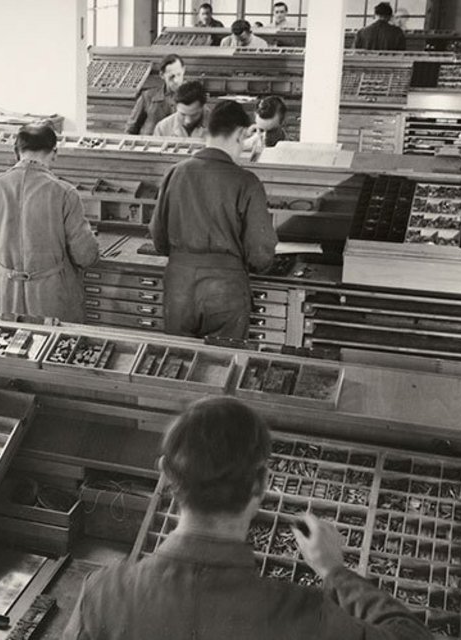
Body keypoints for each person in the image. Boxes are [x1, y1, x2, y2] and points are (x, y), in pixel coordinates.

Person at [62, 398, 433, 640]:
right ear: (261, 484)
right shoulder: (303, 614)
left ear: (166, 475)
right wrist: (334, 572)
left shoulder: (101, 595)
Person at [149, 101, 277, 339]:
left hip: (179, 286)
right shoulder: (246, 182)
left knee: (175, 364)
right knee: (222, 368)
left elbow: (158, 238)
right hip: (225, 289)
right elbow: (260, 252)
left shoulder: (174, 173)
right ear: (240, 134)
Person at [0, 123, 98, 322]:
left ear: (16, 152)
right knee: (55, 350)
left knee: (7, 346)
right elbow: (85, 255)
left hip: (6, 296)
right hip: (52, 298)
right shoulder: (65, 193)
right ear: (54, 153)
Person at [125, 55, 186, 136]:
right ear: (162, 75)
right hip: (151, 146)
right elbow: (131, 128)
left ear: (184, 70)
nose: (176, 80)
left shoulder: (193, 99)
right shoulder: (147, 97)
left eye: (179, 75)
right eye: (171, 77)